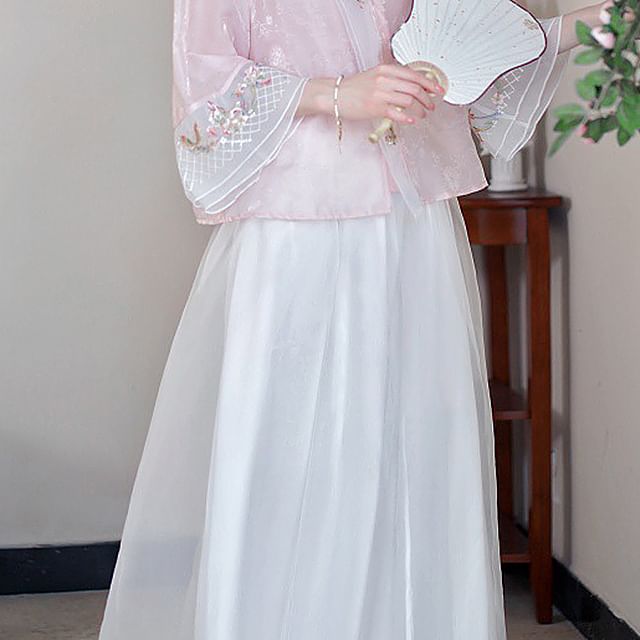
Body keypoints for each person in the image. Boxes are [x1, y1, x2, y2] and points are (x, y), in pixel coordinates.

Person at [98, 2, 609, 639]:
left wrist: (596, 24)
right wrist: (337, 93)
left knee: (417, 449)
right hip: (297, 229)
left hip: (412, 226)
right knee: (288, 456)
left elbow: (469, 47)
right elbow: (204, 78)